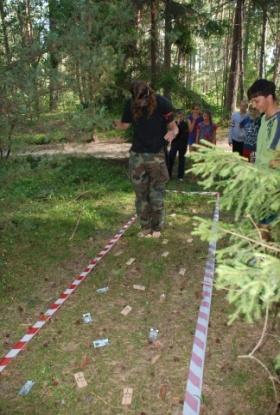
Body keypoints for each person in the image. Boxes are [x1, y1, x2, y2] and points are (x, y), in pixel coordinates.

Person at [114, 80, 178, 238]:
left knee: (156, 193)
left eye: (142, 99)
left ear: (148, 94)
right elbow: (125, 125)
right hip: (137, 155)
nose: (140, 103)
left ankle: (157, 228)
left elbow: (173, 127)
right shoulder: (130, 104)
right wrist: (115, 124)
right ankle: (145, 228)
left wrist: (172, 134)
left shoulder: (163, 103)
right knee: (141, 195)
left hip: (156, 155)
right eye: (137, 100)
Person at [247, 79, 280, 240]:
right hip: (260, 184)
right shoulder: (263, 121)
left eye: (257, 100)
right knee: (260, 222)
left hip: (273, 187)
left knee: (271, 224)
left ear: (269, 97)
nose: (254, 105)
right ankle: (263, 253)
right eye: (252, 101)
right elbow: (260, 152)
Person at [168, 110, 188, 180]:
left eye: (181, 116)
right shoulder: (173, 124)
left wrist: (178, 130)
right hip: (174, 143)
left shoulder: (185, 124)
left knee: (181, 159)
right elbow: (171, 134)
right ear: (176, 117)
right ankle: (169, 175)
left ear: (183, 116)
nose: (180, 117)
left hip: (182, 144)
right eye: (178, 116)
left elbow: (185, 135)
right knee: (171, 157)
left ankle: (180, 176)